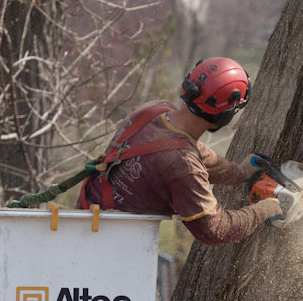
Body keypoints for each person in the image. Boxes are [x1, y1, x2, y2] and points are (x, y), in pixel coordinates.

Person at [77, 57, 283, 244]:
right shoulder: (183, 165)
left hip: (82, 224)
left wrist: (238, 173)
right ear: (225, 113)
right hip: (107, 244)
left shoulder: (154, 110)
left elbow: (189, 150)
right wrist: (264, 210)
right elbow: (215, 229)